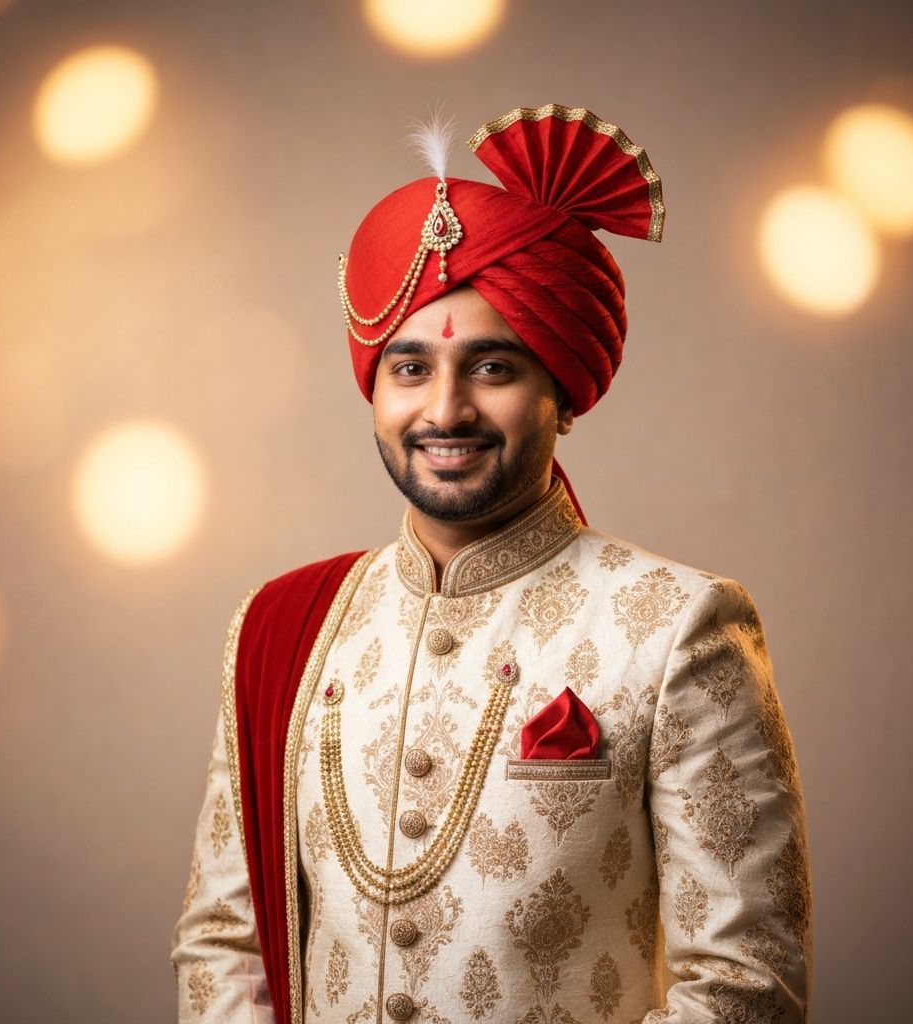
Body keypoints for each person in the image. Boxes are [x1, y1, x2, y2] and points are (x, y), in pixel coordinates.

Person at [170, 103, 812, 1024]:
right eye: (409, 368)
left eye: (494, 367)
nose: (446, 410)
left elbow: (747, 987)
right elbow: (222, 944)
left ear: (564, 389)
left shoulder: (679, 626)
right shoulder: (280, 626)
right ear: (374, 386)